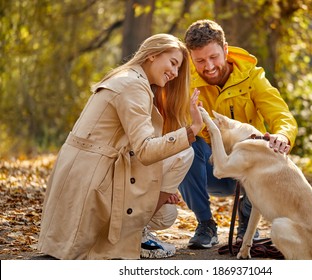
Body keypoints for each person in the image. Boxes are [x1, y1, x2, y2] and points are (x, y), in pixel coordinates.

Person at [37, 33, 203, 259]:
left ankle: (139, 233)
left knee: (167, 212)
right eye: (173, 63)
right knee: (184, 152)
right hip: (94, 178)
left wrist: (162, 188)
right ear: (153, 55)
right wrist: (193, 129)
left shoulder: (129, 78)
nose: (174, 73)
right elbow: (145, 150)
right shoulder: (133, 85)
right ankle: (136, 235)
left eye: (177, 68)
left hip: (87, 171)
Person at [178, 19, 298, 249]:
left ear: (225, 50)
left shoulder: (252, 77)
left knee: (267, 151)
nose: (209, 66)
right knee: (185, 145)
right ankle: (205, 224)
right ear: (191, 58)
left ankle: (247, 221)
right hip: (210, 170)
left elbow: (280, 114)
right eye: (200, 60)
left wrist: (283, 136)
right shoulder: (184, 82)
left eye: (214, 57)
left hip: (248, 170)